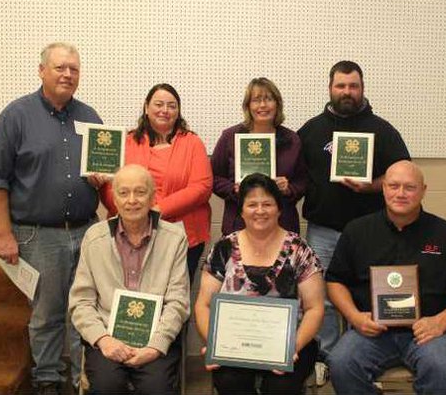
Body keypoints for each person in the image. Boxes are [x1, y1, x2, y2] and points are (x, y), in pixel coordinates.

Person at [0, 42, 101, 395]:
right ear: (42, 71)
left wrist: (102, 178)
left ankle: (85, 378)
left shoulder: (90, 117)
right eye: (60, 68)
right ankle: (47, 380)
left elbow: (104, 172)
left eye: (74, 69)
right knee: (47, 314)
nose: (67, 75)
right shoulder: (15, 116)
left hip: (87, 231)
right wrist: (3, 234)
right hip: (38, 235)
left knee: (88, 310)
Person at [326, 160, 446, 395]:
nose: (400, 193)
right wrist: (355, 317)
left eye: (409, 187)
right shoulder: (357, 231)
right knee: (341, 364)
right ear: (383, 189)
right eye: (393, 186)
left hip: (428, 332)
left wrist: (440, 322)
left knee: (441, 369)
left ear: (423, 190)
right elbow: (335, 280)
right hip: (371, 330)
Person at [297, 60, 410, 381]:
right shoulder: (311, 130)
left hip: (372, 231)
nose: (347, 92)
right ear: (330, 88)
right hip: (323, 230)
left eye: (353, 86)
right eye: (341, 85)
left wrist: (371, 185)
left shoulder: (383, 130)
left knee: (371, 293)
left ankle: (368, 359)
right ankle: (328, 357)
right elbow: (295, 172)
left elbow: (403, 175)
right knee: (322, 300)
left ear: (362, 88)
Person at [195, 173, 325, 395]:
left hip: (291, 341)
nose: (260, 210)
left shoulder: (299, 250)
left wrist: (291, 347)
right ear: (242, 210)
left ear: (279, 209)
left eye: (267, 204)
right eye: (252, 204)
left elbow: (315, 308)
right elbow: (203, 304)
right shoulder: (224, 248)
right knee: (229, 381)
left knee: (280, 386)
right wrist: (215, 343)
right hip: (235, 343)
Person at [69, 164, 190, 395]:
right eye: (123, 193)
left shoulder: (174, 239)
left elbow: (178, 302)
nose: (132, 200)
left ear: (153, 197)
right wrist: (103, 340)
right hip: (107, 339)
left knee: (157, 389)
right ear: (114, 197)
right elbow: (81, 302)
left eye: (140, 192)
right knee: (106, 386)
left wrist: (156, 345)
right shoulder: (95, 237)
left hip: (154, 340)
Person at [92, 83, 212, 281]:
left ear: (178, 111)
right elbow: (109, 187)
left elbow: (202, 187)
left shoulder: (193, 142)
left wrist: (154, 211)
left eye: (172, 106)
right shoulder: (126, 142)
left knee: (174, 297)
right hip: (130, 234)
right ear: (146, 107)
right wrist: (134, 214)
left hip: (184, 235)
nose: (165, 110)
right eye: (159, 104)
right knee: (132, 294)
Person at [211, 77, 308, 235]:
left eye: (268, 99)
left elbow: (303, 181)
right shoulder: (230, 137)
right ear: (248, 106)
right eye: (256, 100)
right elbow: (213, 177)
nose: (263, 105)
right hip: (239, 225)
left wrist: (288, 188)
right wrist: (233, 189)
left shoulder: (292, 140)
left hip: (282, 226)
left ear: (277, 104)